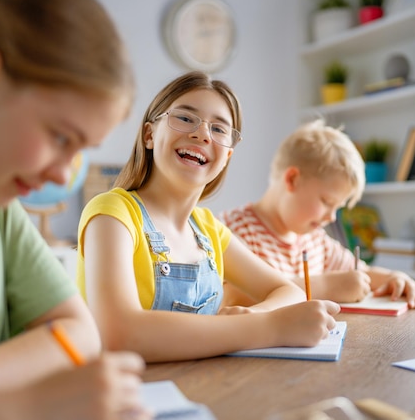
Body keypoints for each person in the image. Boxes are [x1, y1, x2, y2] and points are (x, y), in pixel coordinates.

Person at [0, 0, 148, 418]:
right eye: (61, 136)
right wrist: (18, 404)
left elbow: (79, 331)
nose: (64, 172)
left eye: (80, 151)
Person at [77, 71, 339, 363]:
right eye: (186, 118)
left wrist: (252, 315)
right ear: (150, 135)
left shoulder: (209, 229)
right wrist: (268, 326)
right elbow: (119, 335)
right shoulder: (112, 213)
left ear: (227, 156)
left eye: (218, 129)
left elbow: (286, 291)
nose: (202, 133)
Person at [220, 120, 415, 309]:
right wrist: (326, 285)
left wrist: (393, 278)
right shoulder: (233, 231)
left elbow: (360, 276)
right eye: (327, 202)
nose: (332, 218)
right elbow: (231, 298)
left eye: (338, 207)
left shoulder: (316, 240)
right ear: (292, 179)